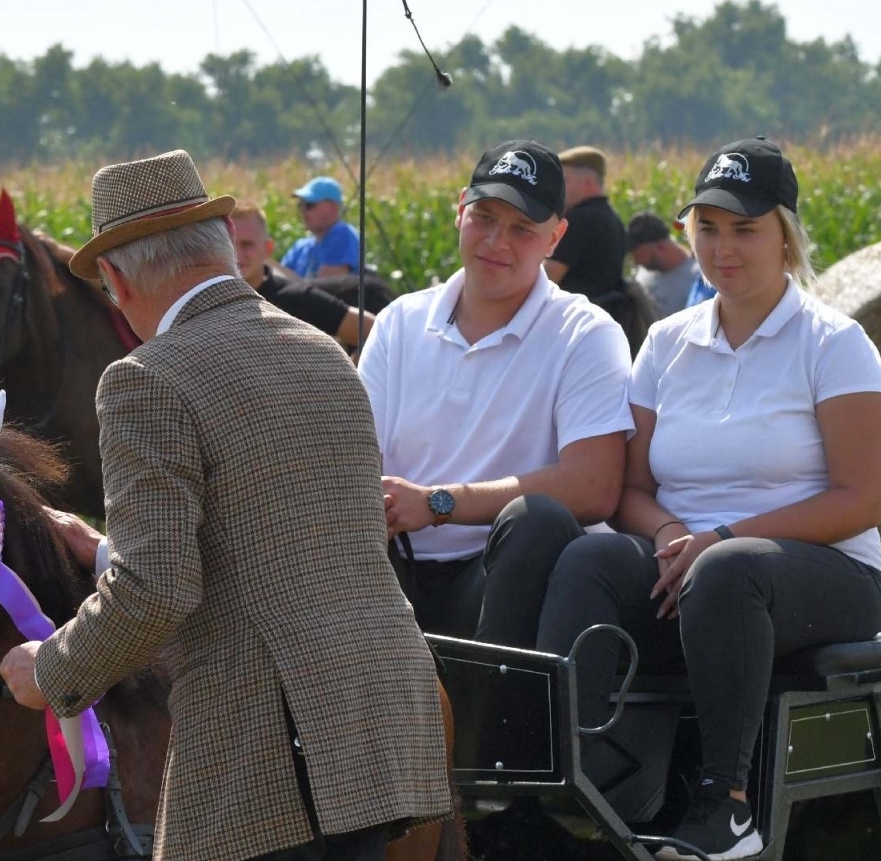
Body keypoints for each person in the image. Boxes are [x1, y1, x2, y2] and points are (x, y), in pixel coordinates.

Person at [0, 149, 450, 861]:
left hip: (267, 738)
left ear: (121, 278)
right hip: (377, 718)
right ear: (220, 249)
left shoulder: (143, 381)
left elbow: (159, 590)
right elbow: (273, 540)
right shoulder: (321, 352)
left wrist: (51, 667)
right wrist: (110, 557)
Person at [536, 137, 881, 861]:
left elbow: (860, 501)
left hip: (819, 575)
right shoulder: (665, 344)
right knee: (593, 555)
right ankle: (573, 787)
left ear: (785, 239)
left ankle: (726, 808)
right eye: (706, 227)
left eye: (745, 229)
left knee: (728, 571)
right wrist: (671, 530)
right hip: (688, 566)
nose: (722, 248)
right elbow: (630, 491)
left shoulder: (835, 343)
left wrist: (721, 536)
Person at [357, 138, 633, 647]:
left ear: (556, 237)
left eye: (522, 229)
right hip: (394, 567)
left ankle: (496, 717)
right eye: (484, 216)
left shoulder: (586, 332)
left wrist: (438, 503)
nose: (496, 241)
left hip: (502, 571)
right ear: (460, 208)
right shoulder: (399, 322)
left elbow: (594, 486)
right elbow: (355, 456)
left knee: (536, 522)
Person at [231, 201, 373, 352]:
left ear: (267, 249)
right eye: (230, 244)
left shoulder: (295, 298)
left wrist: (352, 372)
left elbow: (374, 331)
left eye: (247, 245)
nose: (237, 255)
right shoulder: (210, 299)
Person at [546, 146, 626, 299]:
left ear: (588, 183)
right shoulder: (612, 218)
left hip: (571, 317)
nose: (558, 190)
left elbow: (548, 277)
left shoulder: (582, 219)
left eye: (565, 181)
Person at [627, 210, 705, 318]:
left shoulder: (698, 279)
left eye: (639, 255)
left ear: (660, 248)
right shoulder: (643, 274)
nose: (637, 261)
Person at [279, 175, 359, 278]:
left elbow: (326, 287)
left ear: (333, 208)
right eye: (300, 205)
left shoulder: (343, 235)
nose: (303, 211)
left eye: (309, 205)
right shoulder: (300, 247)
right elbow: (278, 282)